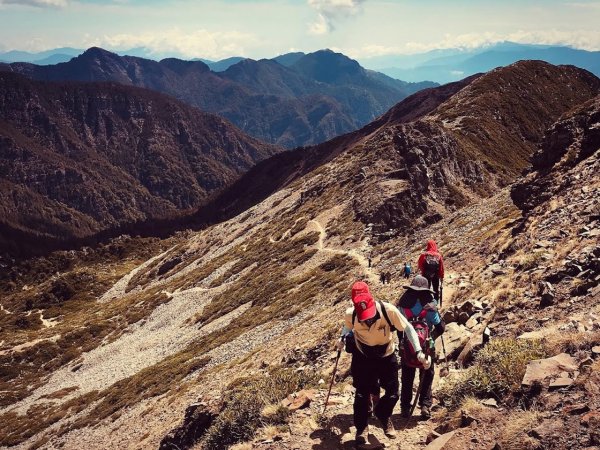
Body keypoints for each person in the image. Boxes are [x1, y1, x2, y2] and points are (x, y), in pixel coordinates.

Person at [337, 281, 431, 446]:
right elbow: (347, 327)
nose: (368, 320)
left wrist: (418, 352)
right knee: (361, 394)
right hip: (363, 356)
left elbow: (408, 328)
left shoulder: (388, 310)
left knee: (393, 392)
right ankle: (361, 428)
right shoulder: (351, 313)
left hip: (386, 355)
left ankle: (383, 414)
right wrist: (342, 338)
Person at [396, 275, 445, 419]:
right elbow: (440, 327)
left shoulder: (403, 304)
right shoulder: (430, 304)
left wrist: (402, 341)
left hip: (408, 347)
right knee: (427, 375)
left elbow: (399, 327)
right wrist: (430, 339)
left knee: (407, 377)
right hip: (426, 347)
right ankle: (425, 406)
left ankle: (405, 407)